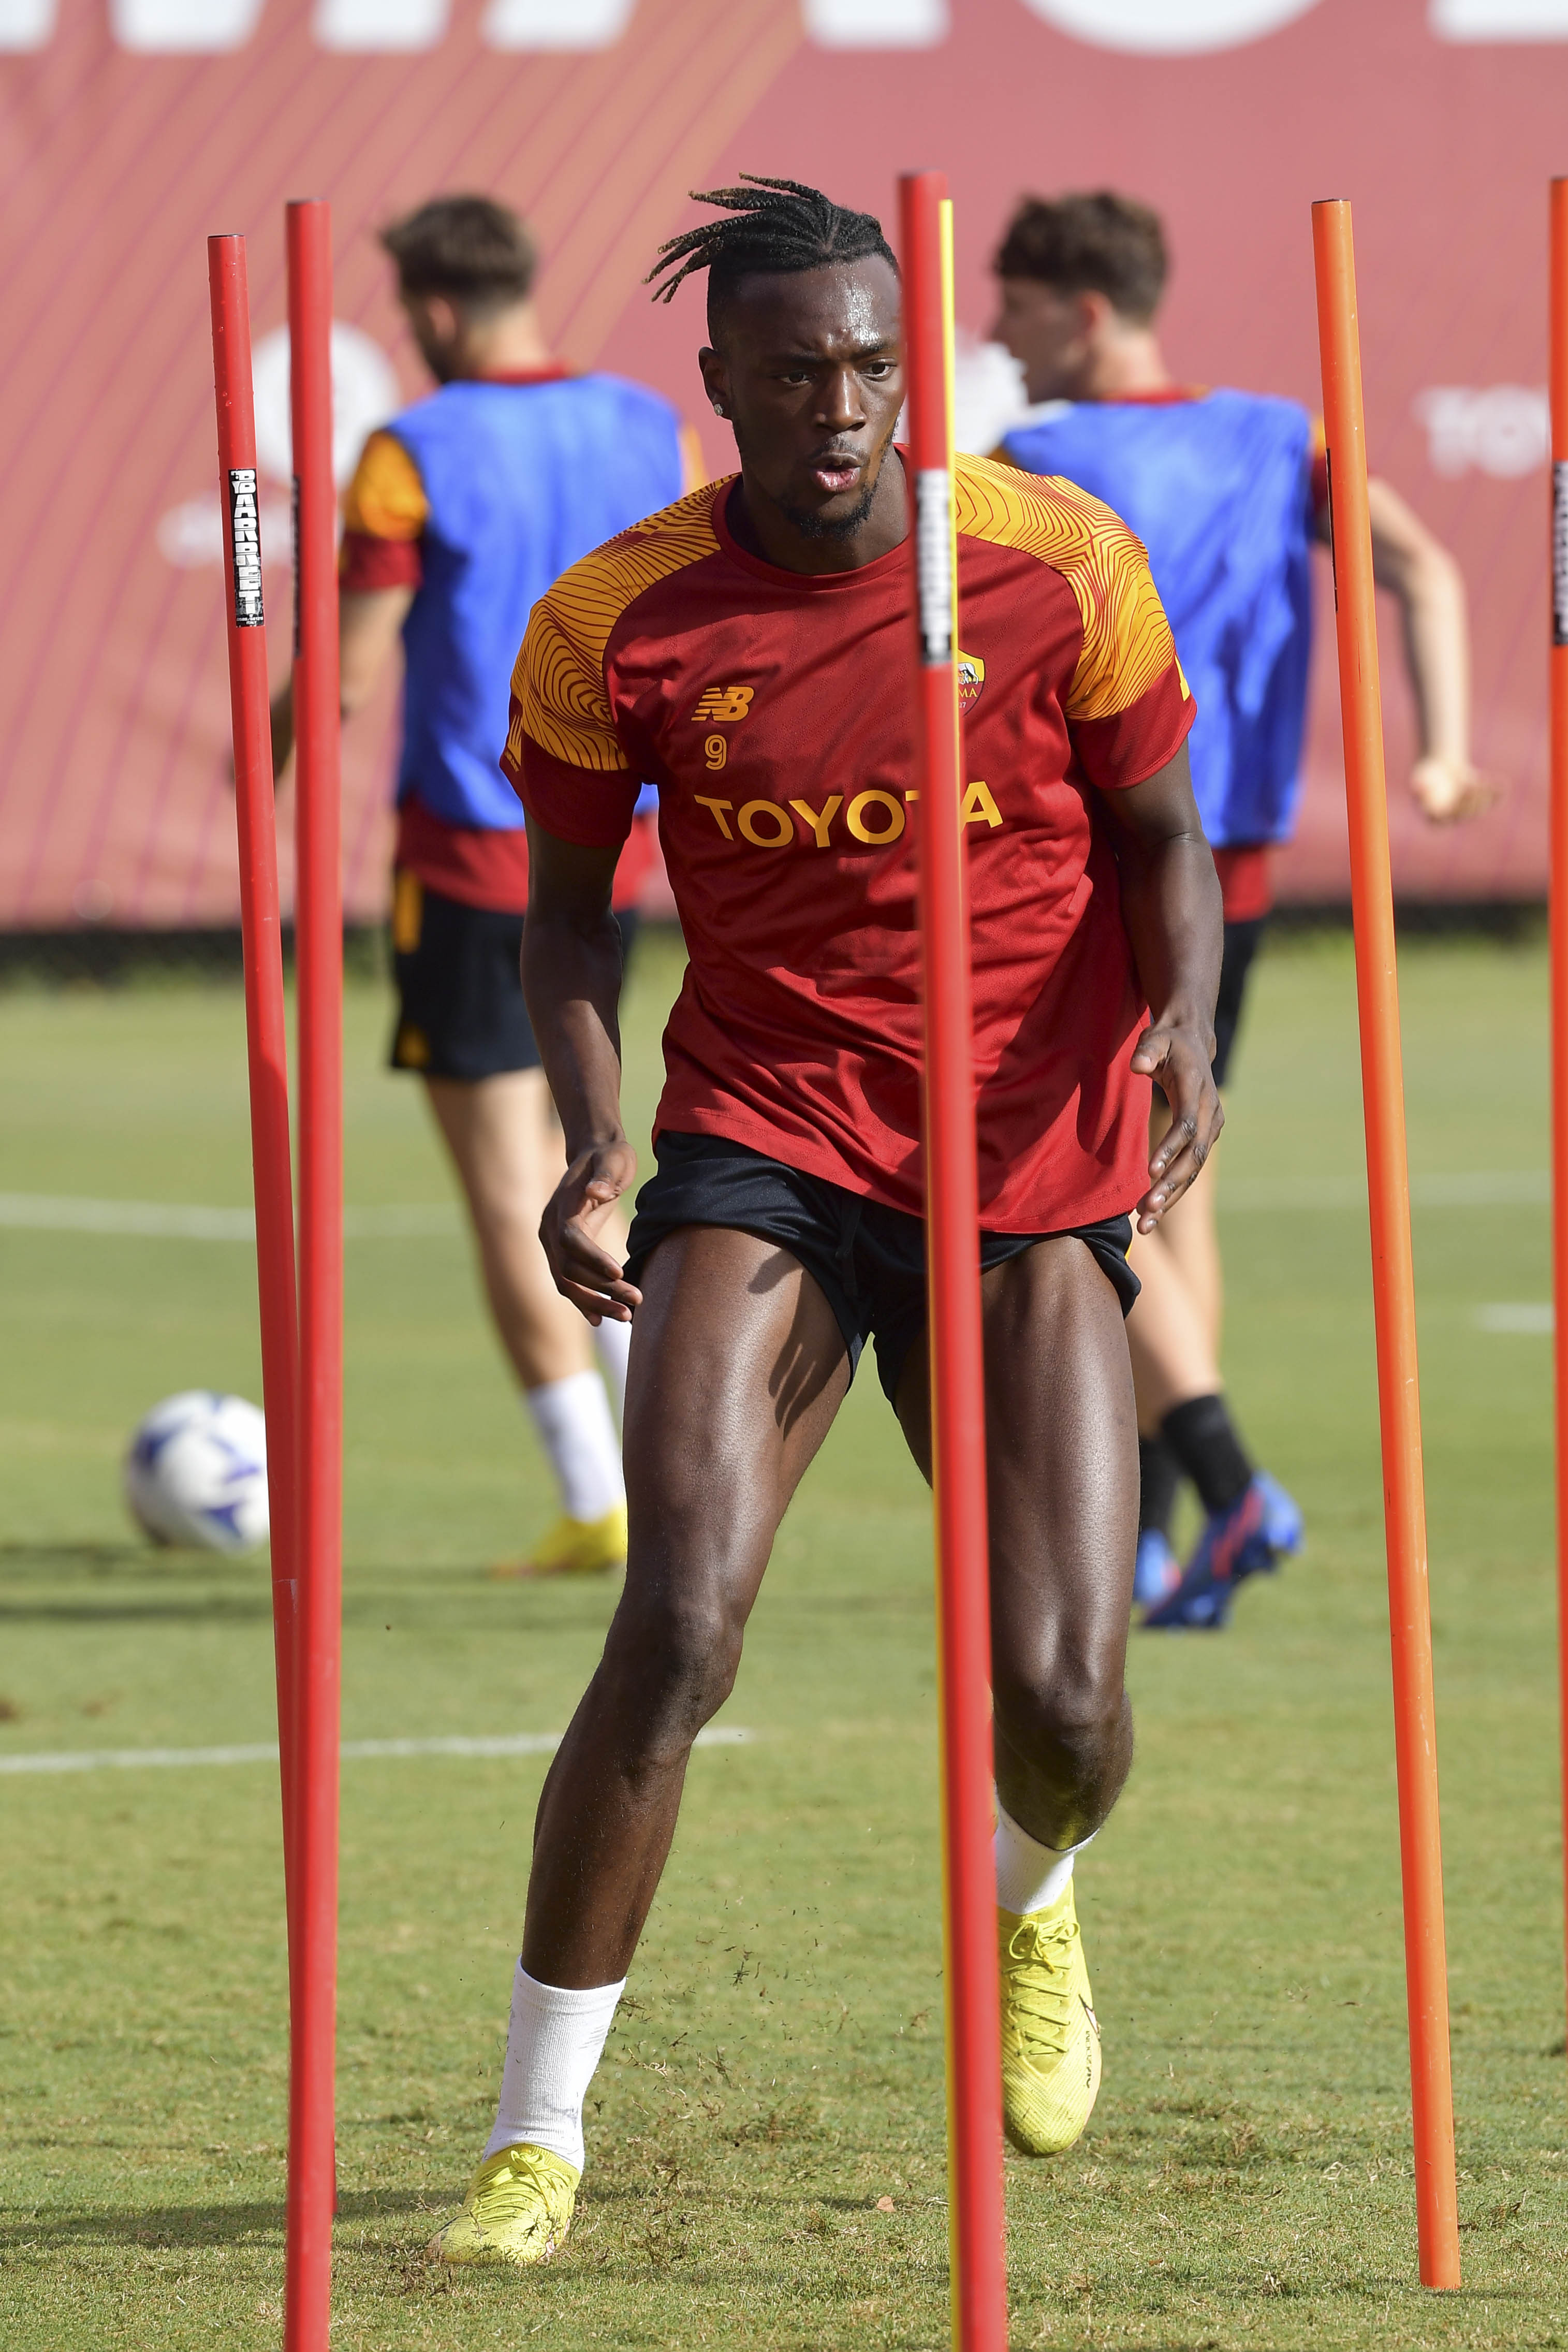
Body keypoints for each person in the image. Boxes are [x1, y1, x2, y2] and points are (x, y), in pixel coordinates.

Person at [426, 173, 1223, 2273]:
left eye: (873, 363)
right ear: (723, 388)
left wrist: (1188, 1042)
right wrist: (590, 1139)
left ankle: (1027, 1899)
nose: (843, 405)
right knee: (676, 1617)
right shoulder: (619, 618)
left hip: (1022, 1161)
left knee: (1063, 1699)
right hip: (765, 1133)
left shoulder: (1051, 562)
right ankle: (533, 2131)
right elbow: (569, 922)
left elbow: (1166, 837)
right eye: (796, 374)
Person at [989, 191, 1493, 1629]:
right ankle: (1153, 1537)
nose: (991, 336)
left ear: (1084, 311)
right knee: (1166, 1164)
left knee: (1079, 1180)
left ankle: (1227, 1479)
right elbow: (1429, 569)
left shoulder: (1036, 463)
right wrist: (1441, 753)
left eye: (1011, 308)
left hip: (1096, 856)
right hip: (1237, 867)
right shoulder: (1285, 438)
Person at [270, 194, 698, 1577]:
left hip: (472, 849)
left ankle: (610, 1492)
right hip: (619, 841)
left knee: (515, 1179)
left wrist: (260, 764)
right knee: (597, 1147)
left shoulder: (412, 451)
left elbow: (345, 667)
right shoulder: (648, 426)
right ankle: (668, 1474)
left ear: (436, 312)